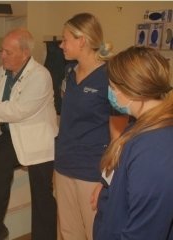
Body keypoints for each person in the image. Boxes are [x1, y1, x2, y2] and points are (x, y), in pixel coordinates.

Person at [0, 28, 59, 240]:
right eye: (2, 51)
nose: (2, 56)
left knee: (42, 193)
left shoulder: (40, 76)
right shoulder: (4, 71)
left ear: (24, 54)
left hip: (37, 138)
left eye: (7, 52)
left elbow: (19, 110)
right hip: (11, 134)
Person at [54, 13, 128, 240]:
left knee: (94, 233)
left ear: (82, 40)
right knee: (68, 234)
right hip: (64, 167)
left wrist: (105, 180)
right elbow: (65, 123)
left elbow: (119, 137)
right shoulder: (69, 72)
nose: (61, 45)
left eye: (65, 39)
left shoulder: (109, 78)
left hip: (91, 173)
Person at [93, 46, 173, 239]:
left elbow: (146, 230)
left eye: (112, 88)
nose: (109, 93)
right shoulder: (141, 126)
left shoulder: (154, 147)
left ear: (131, 89)